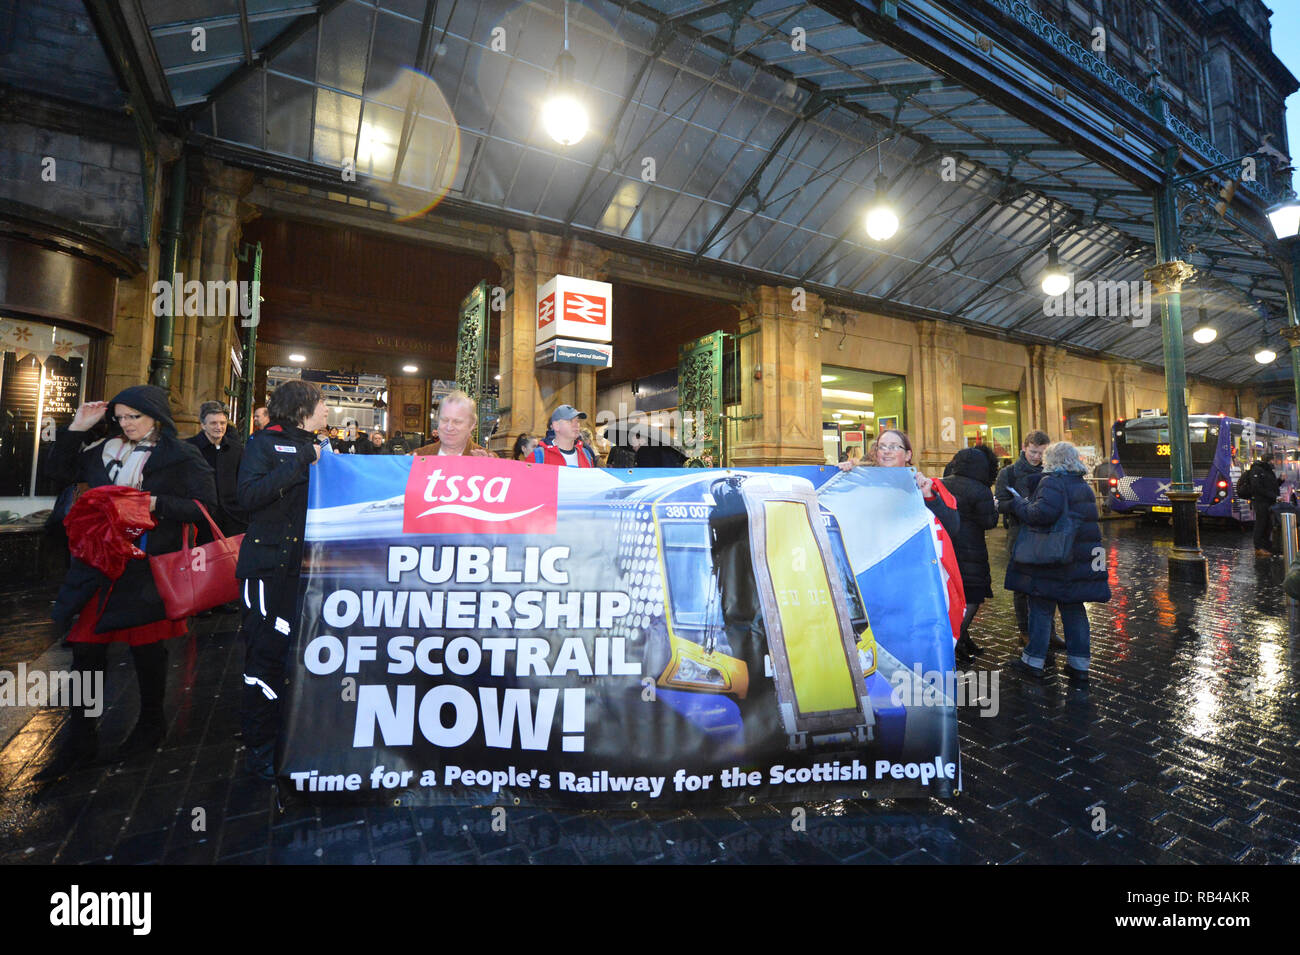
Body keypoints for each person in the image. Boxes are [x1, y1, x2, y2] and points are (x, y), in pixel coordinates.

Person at [41, 385, 217, 776]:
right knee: (86, 652)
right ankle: (81, 737)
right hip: (96, 564)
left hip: (146, 567)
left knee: (147, 650)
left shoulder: (180, 454)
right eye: (120, 417)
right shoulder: (101, 449)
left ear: (155, 415)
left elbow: (205, 507)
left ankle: (151, 724)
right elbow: (57, 471)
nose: (126, 424)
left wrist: (151, 502)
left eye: (133, 417)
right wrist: (78, 427)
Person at [235, 379, 328, 779]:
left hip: (301, 572)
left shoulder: (320, 448)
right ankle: (259, 744)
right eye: (323, 405)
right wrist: (299, 463)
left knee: (292, 654)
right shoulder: (264, 443)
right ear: (303, 407)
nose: (327, 412)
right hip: (266, 569)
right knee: (265, 654)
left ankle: (288, 734)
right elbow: (249, 497)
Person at [839, 429, 965, 642]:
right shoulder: (862, 482)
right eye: (881, 446)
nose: (886, 452)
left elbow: (952, 527)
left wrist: (928, 496)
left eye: (894, 447)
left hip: (912, 580)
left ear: (907, 454)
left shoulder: (923, 485)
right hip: (876, 574)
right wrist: (842, 475)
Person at [1004, 441, 1110, 680]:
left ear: (1051, 461)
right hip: (1078, 558)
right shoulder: (1082, 484)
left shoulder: (1052, 481)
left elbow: (1039, 514)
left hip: (1055, 558)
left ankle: (1033, 661)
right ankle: (1079, 664)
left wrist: (1019, 503)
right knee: (1074, 610)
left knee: (1041, 609)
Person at [995, 430, 1054, 643]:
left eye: (1041, 453)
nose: (1037, 457)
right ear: (1024, 448)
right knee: (1022, 586)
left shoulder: (1051, 471)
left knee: (1048, 584)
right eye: (1033, 452)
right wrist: (1020, 504)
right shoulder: (1008, 473)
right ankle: (1025, 631)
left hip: (1047, 535)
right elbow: (999, 504)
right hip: (1019, 534)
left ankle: (1050, 631)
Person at [943, 445, 1000, 663]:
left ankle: (962, 641)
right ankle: (954, 643)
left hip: (948, 548)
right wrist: (994, 508)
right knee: (973, 598)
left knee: (954, 596)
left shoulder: (944, 483)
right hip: (971, 551)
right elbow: (989, 522)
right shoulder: (980, 489)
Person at [186, 400, 246, 540]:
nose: (219, 427)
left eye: (222, 423)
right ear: (203, 425)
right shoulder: (189, 448)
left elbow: (242, 481)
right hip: (200, 521)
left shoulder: (237, 449)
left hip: (233, 521)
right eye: (213, 423)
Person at [413, 391, 493, 457]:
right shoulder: (417, 456)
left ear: (472, 424)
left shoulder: (489, 460)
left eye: (457, 422)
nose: (449, 427)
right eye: (444, 420)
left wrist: (487, 471)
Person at [1240, 453, 1282, 556]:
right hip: (1260, 502)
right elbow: (1257, 488)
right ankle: (1258, 548)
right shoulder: (1257, 470)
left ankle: (1267, 546)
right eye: (1273, 460)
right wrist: (1274, 496)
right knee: (1261, 523)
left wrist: (1280, 481)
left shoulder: (1268, 470)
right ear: (1269, 460)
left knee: (1268, 524)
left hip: (1269, 502)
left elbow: (1270, 486)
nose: (1274, 462)